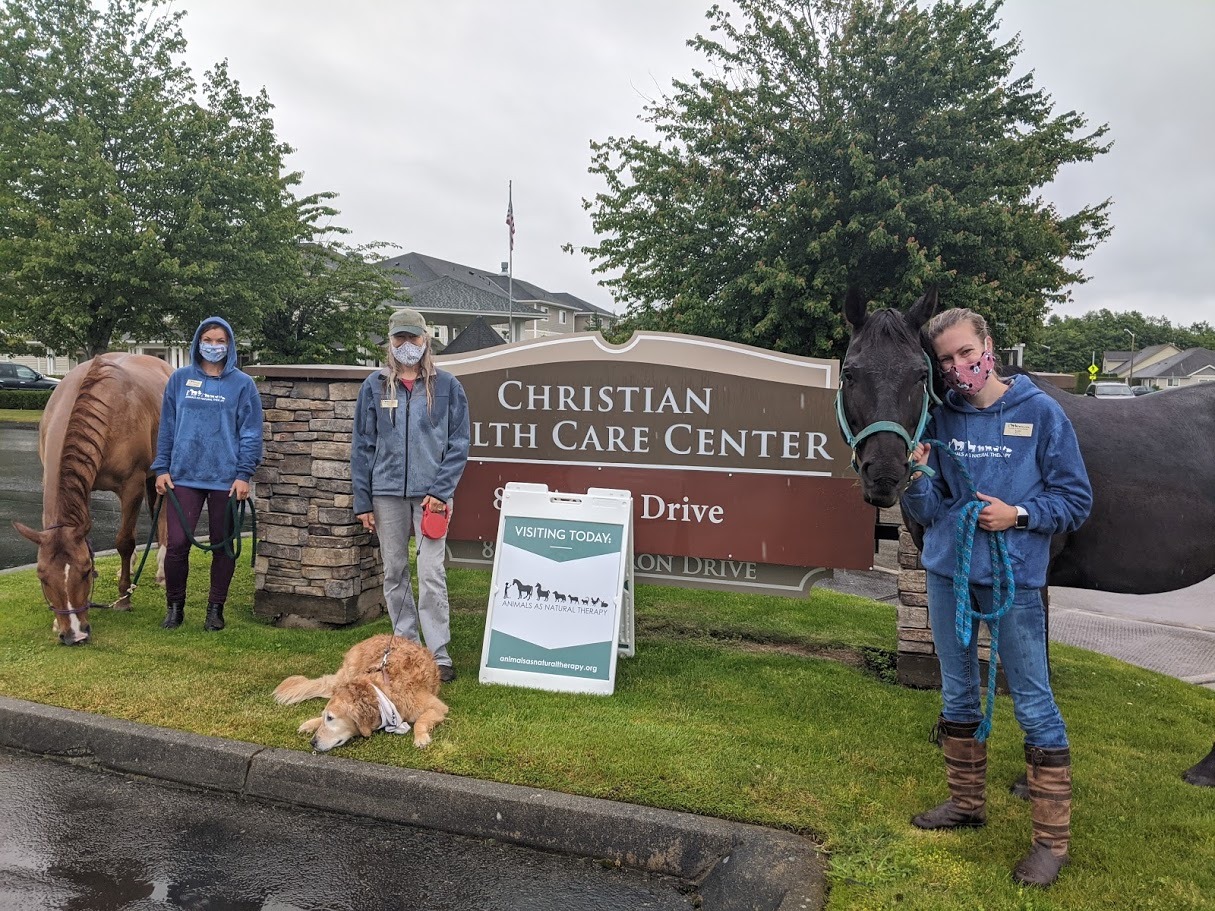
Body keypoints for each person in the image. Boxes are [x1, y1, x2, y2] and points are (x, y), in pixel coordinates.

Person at [901, 307, 1092, 888]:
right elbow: (929, 512)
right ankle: (965, 805)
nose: (958, 366)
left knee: (1032, 702)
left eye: (966, 352)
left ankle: (1051, 844)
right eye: (946, 360)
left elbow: (1075, 501)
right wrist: (918, 478)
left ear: (989, 345)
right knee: (957, 690)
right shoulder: (940, 418)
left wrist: (1020, 514)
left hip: (1015, 583)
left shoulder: (1041, 413)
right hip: (948, 576)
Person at [351, 308, 470, 683]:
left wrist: (441, 490)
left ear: (425, 340)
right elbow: (362, 446)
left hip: (432, 497)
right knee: (395, 571)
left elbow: (459, 444)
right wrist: (363, 500)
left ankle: (438, 653)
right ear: (389, 342)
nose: (406, 345)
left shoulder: (448, 386)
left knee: (431, 571)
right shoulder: (374, 386)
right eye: (399, 338)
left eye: (412, 337)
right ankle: (407, 648)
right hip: (386, 494)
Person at [152, 316, 264, 632]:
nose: (214, 346)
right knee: (176, 544)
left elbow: (251, 432)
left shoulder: (243, 384)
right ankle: (175, 608)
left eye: (220, 341)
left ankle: (215, 609)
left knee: (222, 545)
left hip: (225, 479)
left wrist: (244, 474)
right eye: (208, 340)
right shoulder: (180, 379)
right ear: (197, 343)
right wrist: (161, 468)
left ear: (229, 345)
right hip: (183, 476)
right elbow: (167, 426)